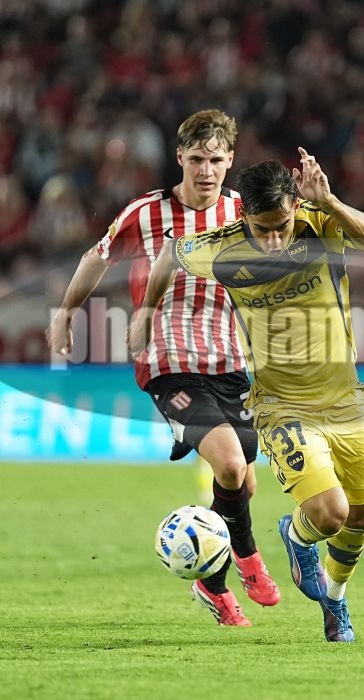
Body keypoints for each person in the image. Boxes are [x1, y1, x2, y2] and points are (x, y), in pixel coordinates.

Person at [127, 147, 364, 643]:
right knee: (330, 513)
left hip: (345, 399)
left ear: (295, 207)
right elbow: (168, 254)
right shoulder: (221, 247)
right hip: (280, 403)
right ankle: (297, 535)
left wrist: (330, 202)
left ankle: (335, 601)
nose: (272, 240)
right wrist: (146, 313)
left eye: (281, 226)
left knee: (361, 516)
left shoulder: (318, 222)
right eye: (261, 228)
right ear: (243, 214)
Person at [45, 108, 280, 627]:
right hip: (167, 360)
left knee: (243, 485)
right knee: (230, 466)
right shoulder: (146, 211)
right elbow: (97, 257)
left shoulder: (244, 211)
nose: (205, 170)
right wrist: (66, 312)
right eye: (196, 159)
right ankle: (249, 559)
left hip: (229, 362)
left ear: (230, 160)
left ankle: (210, 584)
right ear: (179, 158)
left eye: (215, 160)